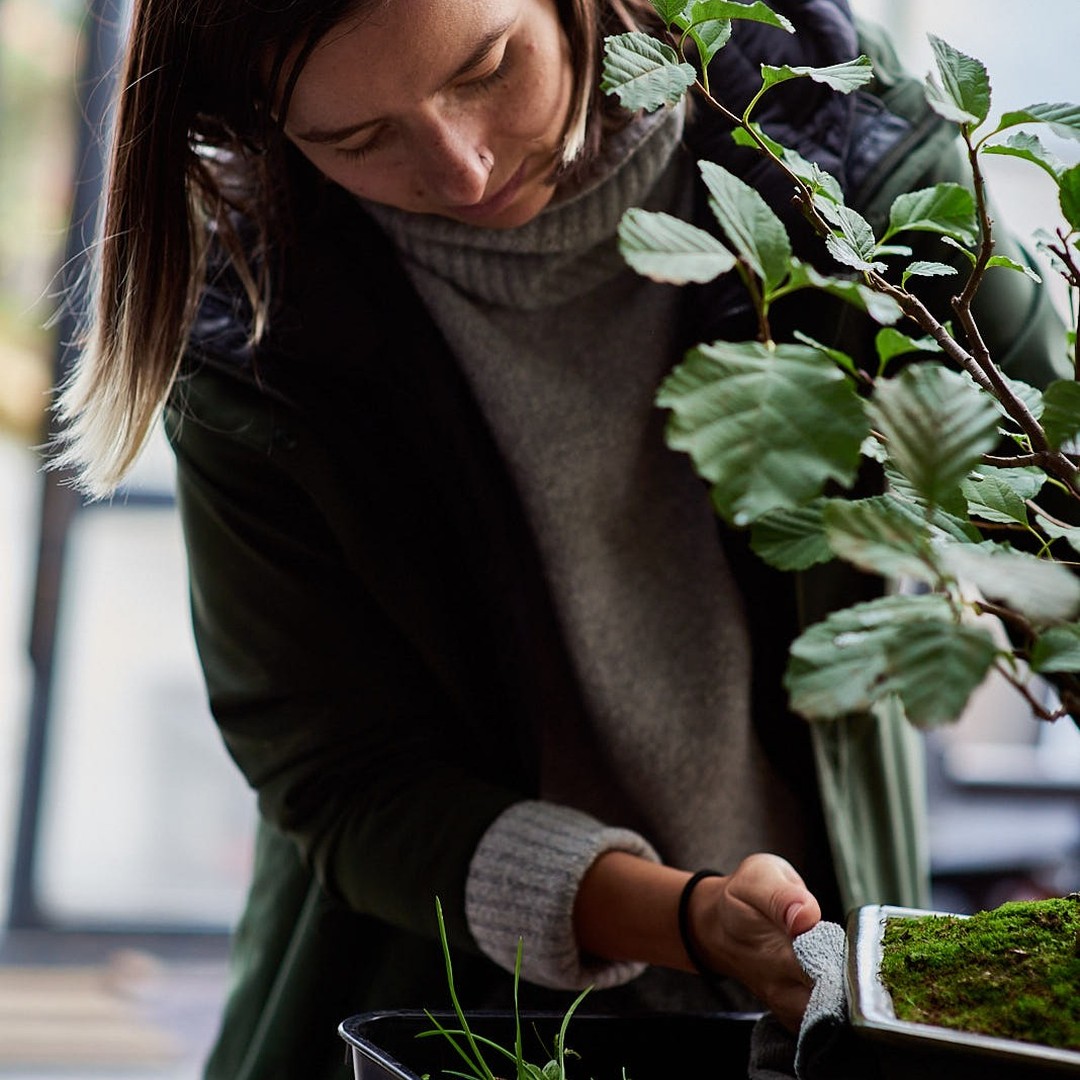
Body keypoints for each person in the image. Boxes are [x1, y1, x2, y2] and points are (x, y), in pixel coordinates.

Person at [54, 1, 1067, 1077]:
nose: (461, 167)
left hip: (831, 986)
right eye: (358, 140)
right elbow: (344, 779)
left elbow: (1050, 507)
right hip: (428, 1006)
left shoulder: (840, 155)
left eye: (489, 67)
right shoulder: (257, 328)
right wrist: (685, 917)